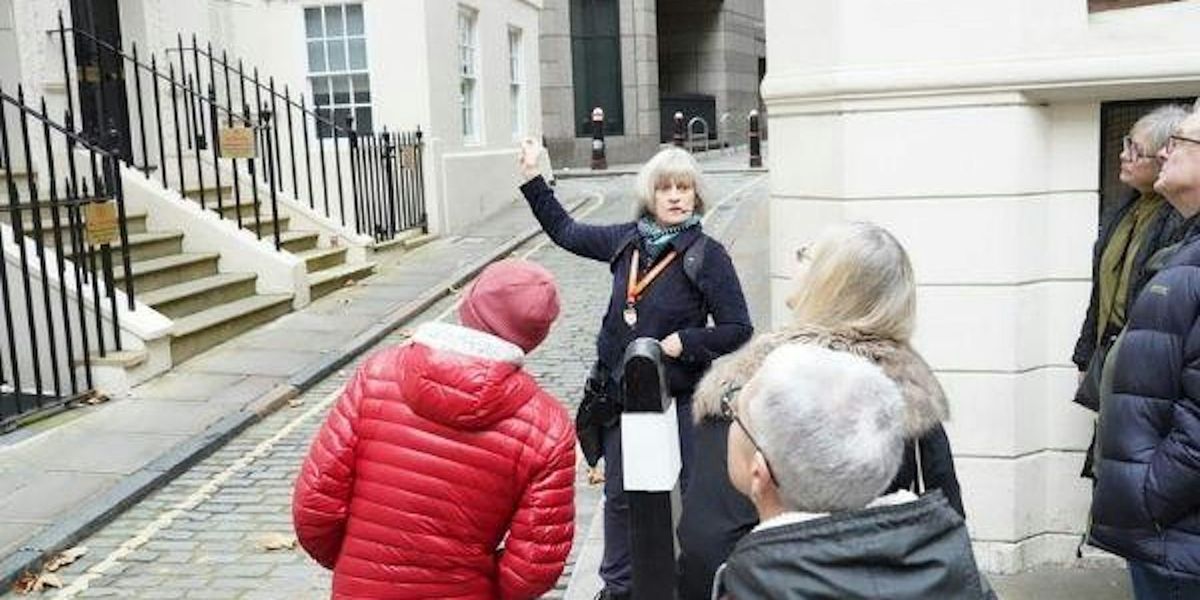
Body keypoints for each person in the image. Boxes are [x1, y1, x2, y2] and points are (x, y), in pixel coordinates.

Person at [517, 140, 753, 599]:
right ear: (651, 194)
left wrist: (687, 342)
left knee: (680, 497)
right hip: (622, 400)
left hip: (677, 400)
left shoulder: (707, 255)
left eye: (683, 188)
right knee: (621, 498)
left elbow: (737, 328)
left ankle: (681, 581)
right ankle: (617, 587)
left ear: (695, 195)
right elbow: (566, 231)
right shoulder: (625, 241)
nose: (675, 197)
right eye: (665, 188)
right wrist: (532, 180)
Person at [679, 221, 962, 599]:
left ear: (829, 282)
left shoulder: (763, 389)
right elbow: (948, 515)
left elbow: (708, 540)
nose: (797, 260)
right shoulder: (909, 389)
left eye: (806, 254)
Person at [292, 259, 576, 600]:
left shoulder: (378, 374)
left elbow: (314, 506)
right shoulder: (548, 427)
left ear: (470, 305)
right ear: (536, 335)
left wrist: (356, 564)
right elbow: (535, 565)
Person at [715, 344, 990, 599]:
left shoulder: (750, 587)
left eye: (734, 412)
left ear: (759, 474)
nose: (730, 421)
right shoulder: (956, 565)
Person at [1088, 108, 1200, 599]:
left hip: (1177, 535)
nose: (1165, 150)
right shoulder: (1188, 245)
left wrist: (1148, 497)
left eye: (1180, 140)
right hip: (1168, 534)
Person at [1072, 106, 1188, 429]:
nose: (1124, 156)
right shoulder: (1122, 210)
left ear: (1164, 158)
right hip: (1109, 357)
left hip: (1145, 365)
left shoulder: (1177, 218)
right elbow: (1100, 290)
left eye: (1135, 151)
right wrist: (1085, 355)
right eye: (1125, 144)